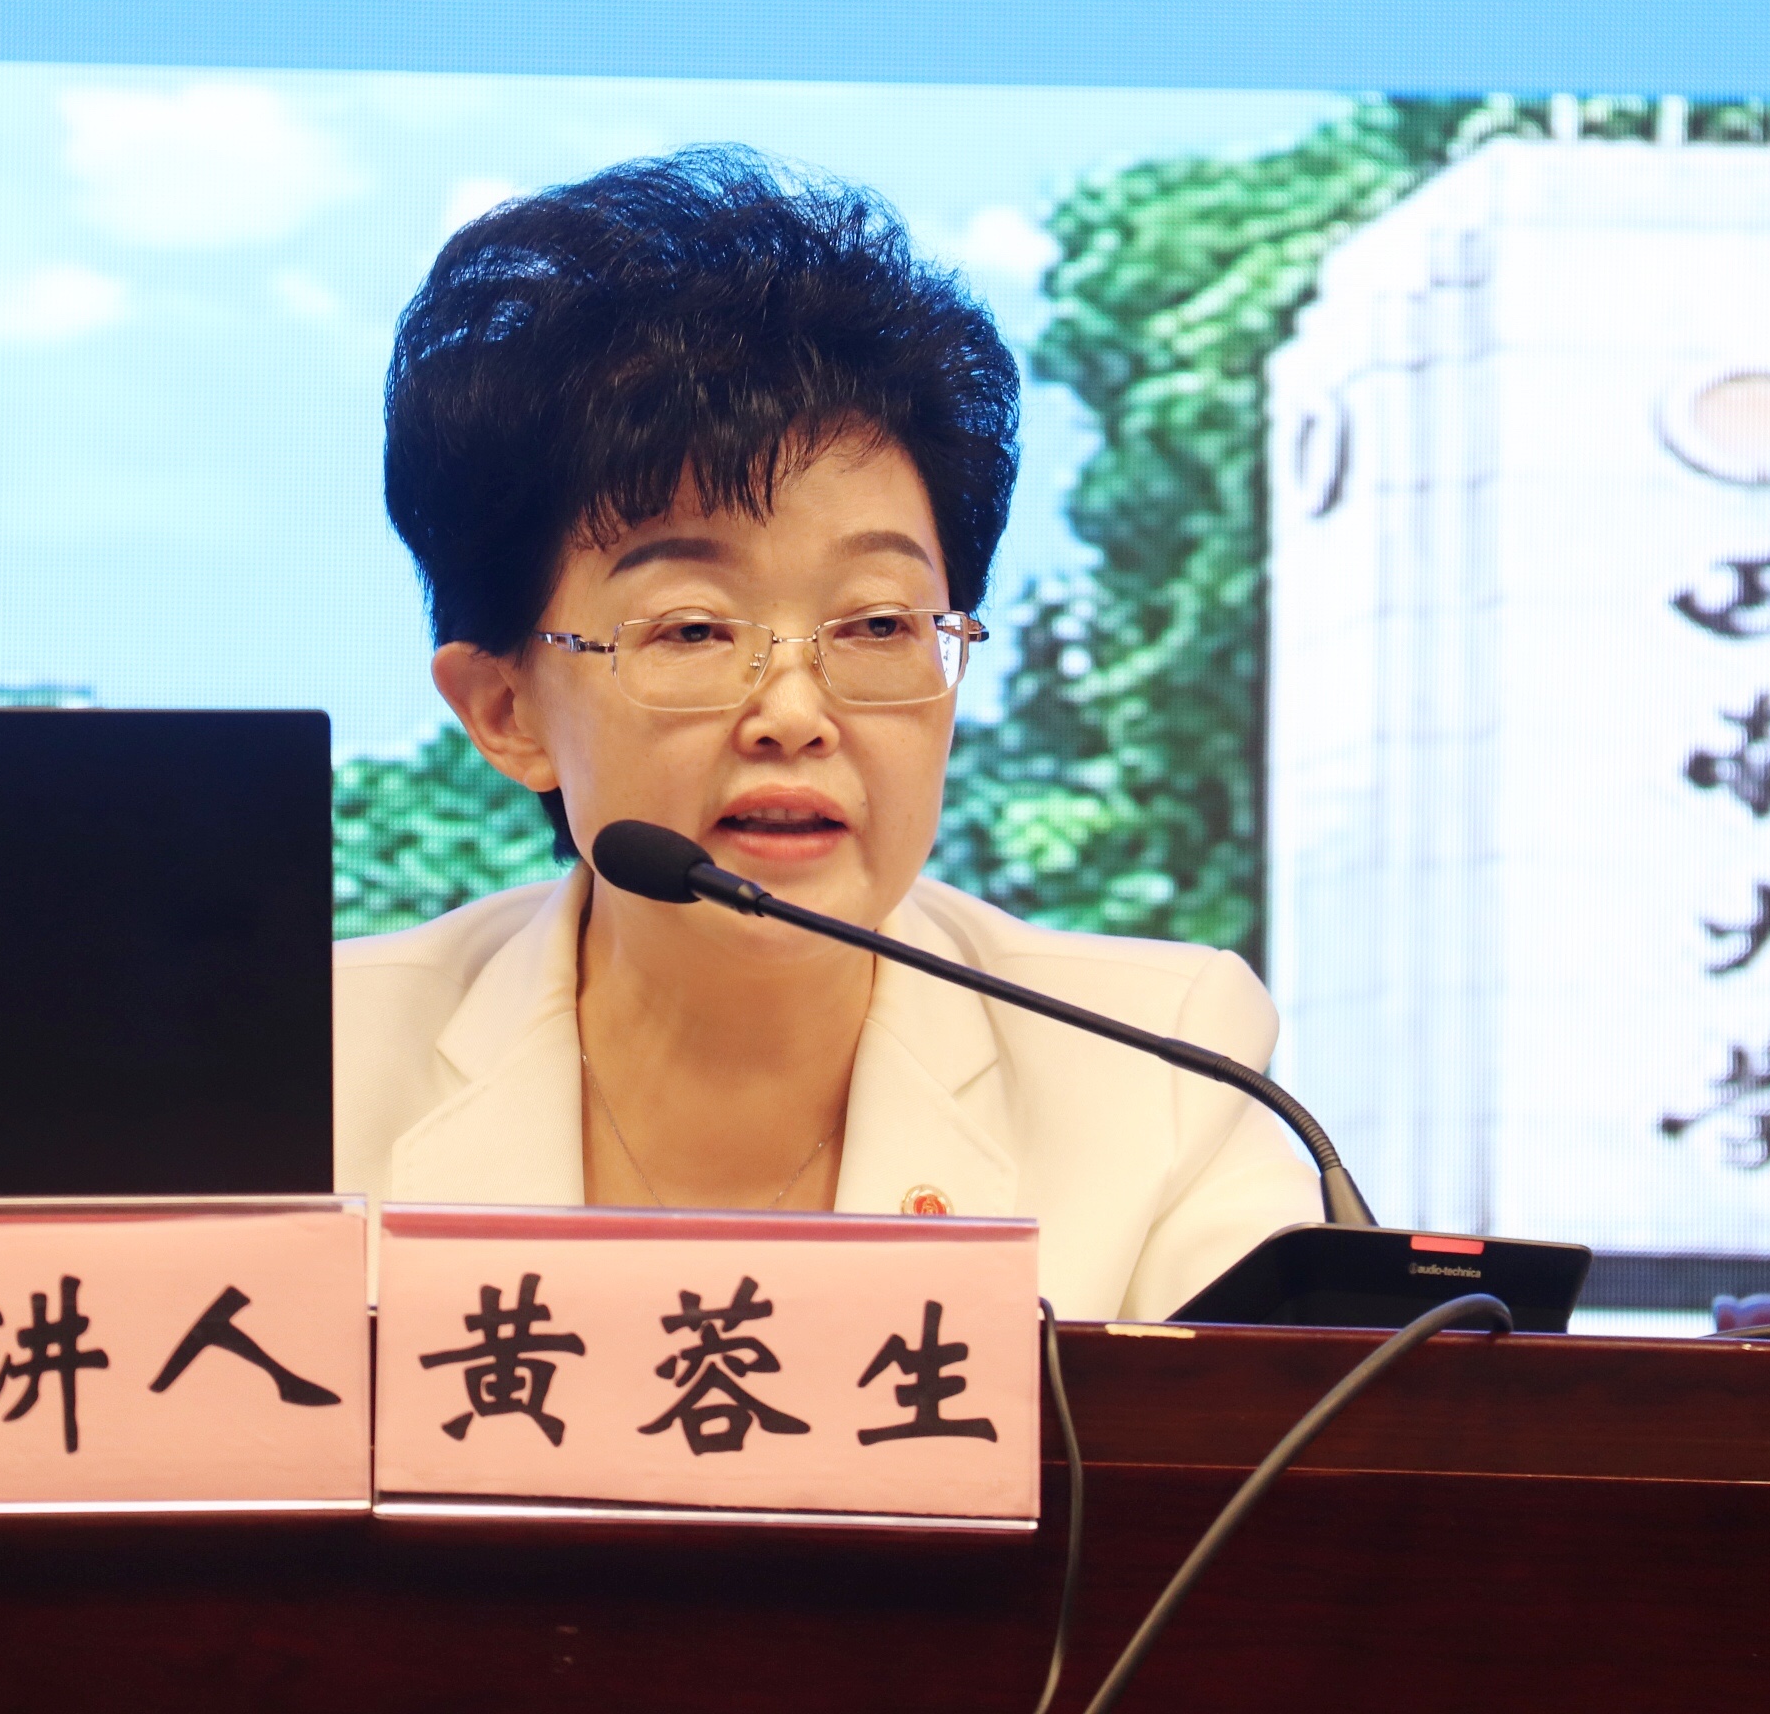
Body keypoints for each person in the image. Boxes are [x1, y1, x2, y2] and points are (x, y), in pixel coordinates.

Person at [337, 147, 1315, 1321]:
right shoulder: (313, 1082)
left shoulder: (1156, 1072)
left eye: (878, 624)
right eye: (694, 629)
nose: (796, 717)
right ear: (506, 711)